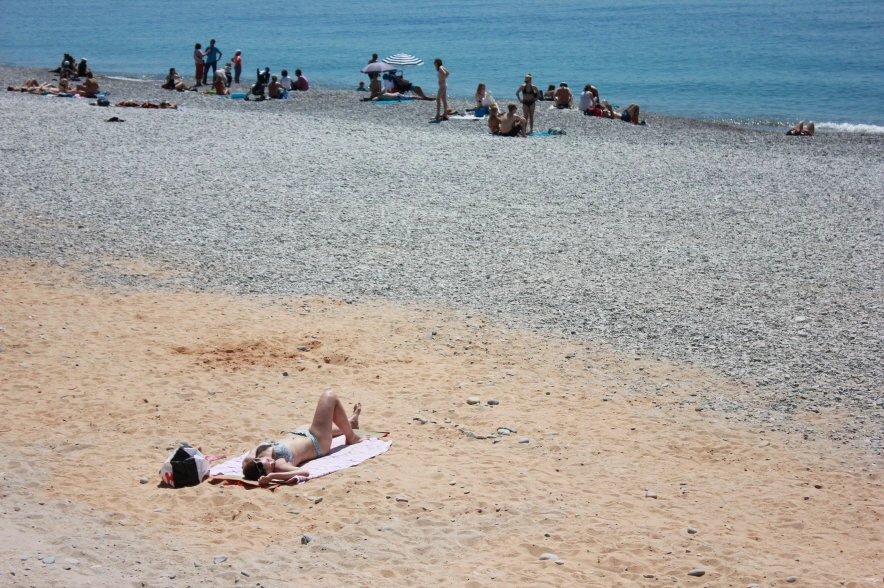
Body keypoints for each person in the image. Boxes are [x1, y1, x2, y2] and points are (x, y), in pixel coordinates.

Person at [241, 391, 368, 485]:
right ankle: (351, 437)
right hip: (317, 440)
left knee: (332, 423)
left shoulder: (252, 458)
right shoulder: (279, 465)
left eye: (268, 461)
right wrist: (273, 476)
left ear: (257, 459)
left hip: (301, 432)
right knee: (329, 396)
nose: (272, 463)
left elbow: (247, 463)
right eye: (270, 468)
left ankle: (351, 423)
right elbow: (304, 473)